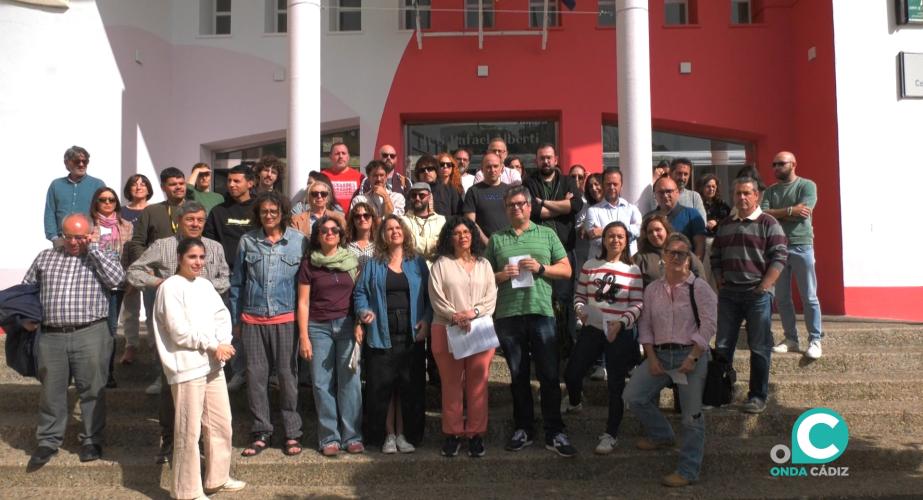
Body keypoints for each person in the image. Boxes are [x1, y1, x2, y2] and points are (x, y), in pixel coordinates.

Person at [127, 200, 230, 465]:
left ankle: (203, 444)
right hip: (176, 327)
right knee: (169, 385)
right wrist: (162, 282)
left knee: (209, 388)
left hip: (205, 325)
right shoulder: (163, 245)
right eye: (190, 220)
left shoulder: (214, 247)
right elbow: (134, 271)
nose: (196, 224)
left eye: (200, 220)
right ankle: (171, 440)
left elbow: (225, 279)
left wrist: (199, 285)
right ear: (179, 221)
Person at [24, 214, 124, 469]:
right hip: (51, 334)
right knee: (51, 391)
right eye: (69, 236)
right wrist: (25, 317)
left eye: (80, 237)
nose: (73, 242)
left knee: (92, 389)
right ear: (62, 234)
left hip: (90, 332)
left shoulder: (104, 255)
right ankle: (48, 440)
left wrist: (94, 249)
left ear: (90, 235)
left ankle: (91, 439)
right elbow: (27, 289)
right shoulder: (46, 256)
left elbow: (117, 280)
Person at [152, 237, 246, 499]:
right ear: (180, 258)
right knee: (188, 430)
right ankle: (187, 491)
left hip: (212, 365)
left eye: (202, 257)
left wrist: (223, 342)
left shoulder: (205, 285)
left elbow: (222, 315)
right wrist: (212, 344)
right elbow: (179, 332)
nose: (198, 262)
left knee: (220, 423)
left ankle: (217, 478)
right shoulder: (170, 288)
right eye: (192, 257)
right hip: (186, 367)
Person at [486, 186, 576, 457]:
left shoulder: (547, 234)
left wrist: (541, 269)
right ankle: (523, 428)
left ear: (529, 206)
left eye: (521, 203)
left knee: (549, 376)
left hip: (540, 313)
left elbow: (567, 270)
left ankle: (554, 431)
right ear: (506, 208)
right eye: (511, 205)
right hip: (508, 315)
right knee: (518, 376)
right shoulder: (496, 239)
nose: (516, 208)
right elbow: (484, 277)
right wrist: (502, 275)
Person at [624, 233, 717, 488]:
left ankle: (688, 470)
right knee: (633, 396)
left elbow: (709, 324)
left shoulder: (699, 287)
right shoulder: (653, 289)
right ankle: (662, 434)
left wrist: (694, 356)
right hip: (661, 355)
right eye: (670, 252)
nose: (675, 257)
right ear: (663, 256)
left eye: (681, 253)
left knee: (691, 417)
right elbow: (645, 326)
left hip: (691, 355)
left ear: (689, 258)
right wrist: (651, 357)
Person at [230, 191, 307, 457]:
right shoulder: (247, 241)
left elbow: (304, 286)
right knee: (256, 378)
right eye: (264, 211)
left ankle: (291, 432)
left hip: (286, 318)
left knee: (287, 377)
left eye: (274, 211)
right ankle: (261, 431)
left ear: (283, 213)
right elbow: (237, 282)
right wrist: (235, 320)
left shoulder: (298, 242)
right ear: (258, 214)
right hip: (252, 318)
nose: (269, 215)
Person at [354, 215, 432, 453]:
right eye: (389, 229)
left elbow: (430, 297)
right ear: (383, 235)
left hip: (412, 334)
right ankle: (388, 435)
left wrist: (427, 321)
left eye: (398, 227)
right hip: (382, 333)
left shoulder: (417, 262)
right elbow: (360, 294)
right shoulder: (373, 264)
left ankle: (404, 435)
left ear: (405, 233)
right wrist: (363, 311)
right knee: (382, 387)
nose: (394, 232)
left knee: (409, 388)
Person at [563, 221, 642, 455]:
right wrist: (580, 310)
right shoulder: (590, 265)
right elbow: (579, 296)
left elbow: (638, 303)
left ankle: (611, 433)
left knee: (616, 384)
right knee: (572, 372)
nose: (615, 240)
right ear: (603, 239)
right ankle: (575, 402)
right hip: (593, 328)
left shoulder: (633, 270)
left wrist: (622, 322)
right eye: (611, 236)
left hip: (619, 332)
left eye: (620, 236)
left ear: (626, 241)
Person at [712, 177, 788, 414]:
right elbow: (715, 255)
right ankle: (721, 393)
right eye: (738, 194)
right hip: (729, 295)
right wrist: (718, 279)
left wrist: (765, 285)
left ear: (757, 196)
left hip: (757, 295)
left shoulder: (769, 223)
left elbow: (780, 256)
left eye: (746, 193)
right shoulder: (725, 223)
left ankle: (757, 396)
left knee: (759, 347)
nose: (742, 198)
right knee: (723, 346)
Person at [427, 217, 498, 458]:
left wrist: (472, 313)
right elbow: (436, 297)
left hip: (478, 330)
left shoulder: (484, 264)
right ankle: (453, 433)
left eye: (466, 232)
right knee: (451, 385)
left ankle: (476, 434)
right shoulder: (441, 264)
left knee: (478, 384)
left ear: (473, 236)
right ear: (449, 237)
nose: (462, 236)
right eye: (456, 233)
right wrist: (456, 315)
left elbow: (491, 297)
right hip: (446, 328)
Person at [296, 216, 364, 456]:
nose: (329, 233)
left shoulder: (352, 260)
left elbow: (359, 295)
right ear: (317, 235)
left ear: (340, 234)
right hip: (318, 327)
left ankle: (352, 436)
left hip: (347, 325)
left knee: (350, 382)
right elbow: (303, 302)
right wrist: (303, 336)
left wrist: (358, 323)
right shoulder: (309, 263)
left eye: (334, 229)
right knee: (321, 383)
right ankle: (329, 438)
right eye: (324, 230)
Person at [124, 167, 189, 397]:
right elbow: (138, 243)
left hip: (189, 280)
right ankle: (160, 375)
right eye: (173, 184)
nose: (179, 187)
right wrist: (149, 272)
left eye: (181, 182)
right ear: (163, 187)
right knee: (158, 330)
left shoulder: (194, 209)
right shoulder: (152, 211)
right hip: (159, 282)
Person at [762, 151, 824, 359]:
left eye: (781, 163)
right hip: (777, 247)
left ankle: (815, 339)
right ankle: (790, 338)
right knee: (782, 297)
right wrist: (790, 211)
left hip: (801, 246)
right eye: (774, 164)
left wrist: (779, 212)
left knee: (809, 296)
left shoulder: (807, 185)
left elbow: (804, 211)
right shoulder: (770, 191)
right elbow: (763, 214)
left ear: (793, 164)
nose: (776, 167)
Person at [524, 143, 584, 351]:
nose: (546, 161)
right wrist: (561, 206)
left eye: (549, 157)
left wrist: (545, 202)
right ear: (536, 161)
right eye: (542, 158)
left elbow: (576, 206)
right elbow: (534, 212)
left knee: (565, 298)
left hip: (564, 248)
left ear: (556, 159)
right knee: (540, 297)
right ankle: (541, 344)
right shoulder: (529, 182)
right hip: (539, 249)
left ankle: (565, 343)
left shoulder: (568, 180)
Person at [204, 164, 257, 392]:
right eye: (230, 181)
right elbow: (209, 242)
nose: (232, 185)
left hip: (256, 276)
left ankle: (261, 371)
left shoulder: (259, 208)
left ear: (250, 183)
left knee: (255, 325)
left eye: (237, 181)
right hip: (226, 278)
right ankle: (238, 370)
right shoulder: (218, 211)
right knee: (232, 325)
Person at [89, 187, 133, 388]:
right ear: (96, 203)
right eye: (102, 200)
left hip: (117, 284)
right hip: (92, 284)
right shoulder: (88, 225)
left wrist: (130, 280)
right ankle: (88, 371)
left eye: (111, 199)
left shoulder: (126, 225)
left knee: (111, 328)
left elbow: (131, 255)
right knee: (92, 327)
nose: (107, 203)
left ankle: (107, 373)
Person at [119, 174, 154, 365]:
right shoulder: (121, 212)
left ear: (149, 189)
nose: (139, 187)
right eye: (134, 184)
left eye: (143, 184)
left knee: (153, 308)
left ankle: (153, 345)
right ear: (128, 189)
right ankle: (130, 344)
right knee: (130, 309)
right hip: (127, 263)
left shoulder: (156, 210)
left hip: (151, 266)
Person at [43, 146, 106, 242]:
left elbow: (105, 214)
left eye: (85, 161)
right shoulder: (56, 185)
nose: (81, 164)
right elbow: (50, 213)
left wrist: (95, 237)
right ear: (66, 163)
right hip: (62, 241)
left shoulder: (98, 185)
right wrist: (54, 238)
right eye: (77, 161)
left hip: (88, 240)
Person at [634, 214, 705, 288]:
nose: (654, 234)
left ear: (666, 230)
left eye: (658, 230)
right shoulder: (640, 258)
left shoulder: (683, 252)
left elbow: (700, 278)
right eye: (650, 232)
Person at [585, 168, 643, 257]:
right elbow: (595, 239)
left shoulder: (632, 209)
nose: (612, 187)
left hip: (627, 263)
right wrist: (626, 235)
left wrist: (604, 231)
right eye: (608, 184)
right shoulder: (592, 211)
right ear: (603, 185)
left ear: (621, 185)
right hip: (600, 263)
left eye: (615, 184)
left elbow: (639, 231)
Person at [649, 176, 707, 261]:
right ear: (655, 195)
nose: (665, 195)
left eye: (669, 191)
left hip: (684, 269)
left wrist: (694, 268)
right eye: (661, 192)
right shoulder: (648, 218)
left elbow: (700, 245)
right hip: (655, 270)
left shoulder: (692, 215)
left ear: (677, 192)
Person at [463, 153, 511, 245]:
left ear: (502, 168)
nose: (492, 170)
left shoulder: (510, 191)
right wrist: (487, 242)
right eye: (488, 167)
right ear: (482, 169)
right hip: (484, 248)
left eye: (496, 166)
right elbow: (470, 222)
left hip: (509, 244)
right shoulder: (473, 191)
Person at [402, 182, 447, 264]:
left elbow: (444, 246)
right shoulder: (403, 220)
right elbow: (409, 244)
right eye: (414, 195)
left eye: (421, 195)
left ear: (429, 197)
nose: (417, 198)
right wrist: (435, 244)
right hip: (412, 268)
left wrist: (416, 242)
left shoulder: (441, 220)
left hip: (435, 268)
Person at [324, 142, 363, 211]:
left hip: (355, 220)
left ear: (348, 157)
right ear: (330, 157)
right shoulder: (323, 176)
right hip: (330, 220)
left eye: (343, 153)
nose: (341, 156)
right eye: (337, 154)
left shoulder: (360, 177)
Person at [697, 174, 731, 238]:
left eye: (713, 186)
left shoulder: (722, 204)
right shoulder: (697, 203)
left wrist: (717, 222)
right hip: (702, 238)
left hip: (719, 238)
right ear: (702, 188)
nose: (711, 189)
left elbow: (729, 219)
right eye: (708, 186)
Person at [346, 201, 378, 267]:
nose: (362, 219)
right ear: (353, 221)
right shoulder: (346, 244)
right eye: (357, 216)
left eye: (366, 215)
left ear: (372, 218)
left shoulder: (379, 245)